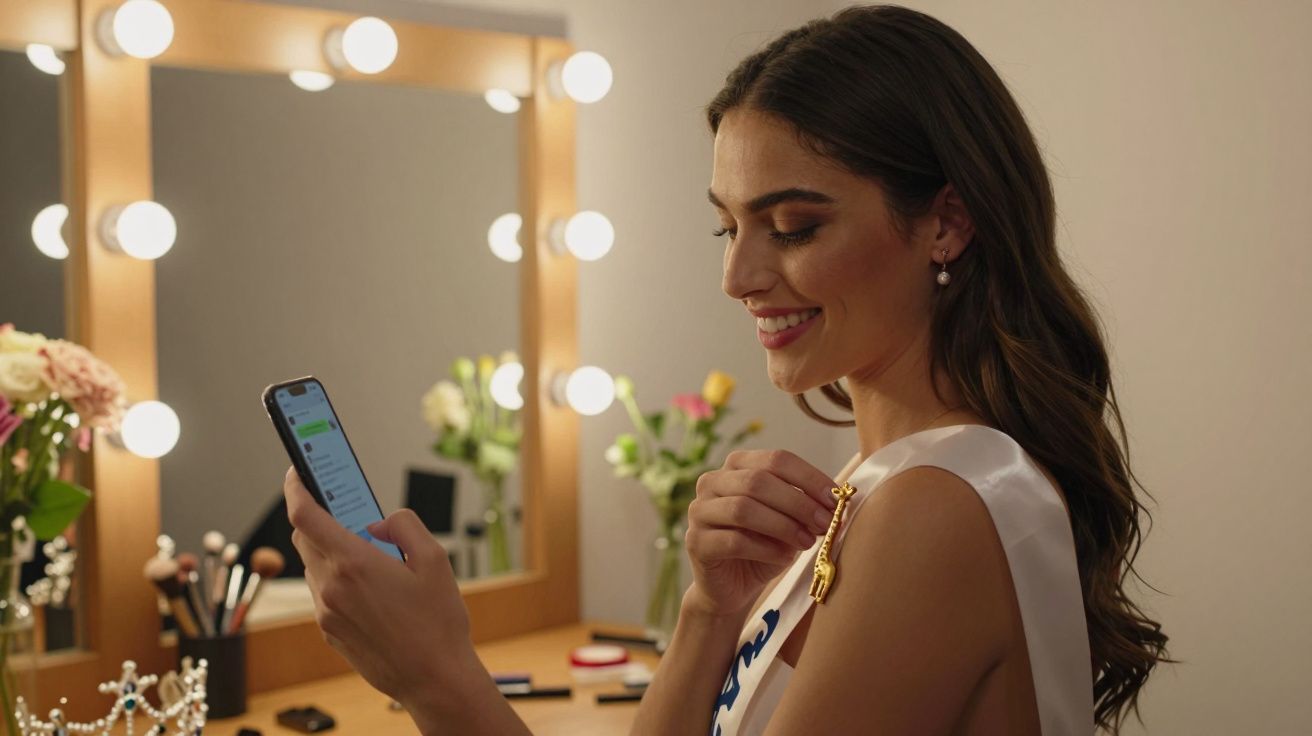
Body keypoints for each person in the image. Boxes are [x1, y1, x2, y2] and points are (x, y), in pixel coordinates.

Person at [282, 5, 1169, 734]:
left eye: (793, 227)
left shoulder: (940, 507)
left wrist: (438, 679)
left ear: (947, 224)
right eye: (728, 226)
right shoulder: (876, 481)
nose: (738, 277)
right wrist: (712, 611)